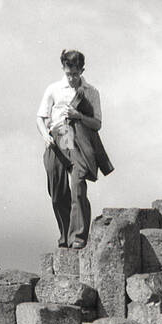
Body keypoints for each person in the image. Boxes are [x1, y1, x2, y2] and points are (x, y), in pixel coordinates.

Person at [36, 49, 112, 249]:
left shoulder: (91, 92)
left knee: (78, 185)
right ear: (63, 69)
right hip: (58, 138)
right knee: (57, 193)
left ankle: (78, 237)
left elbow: (97, 123)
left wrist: (79, 116)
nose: (71, 78)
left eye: (75, 74)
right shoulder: (54, 89)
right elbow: (40, 117)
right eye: (68, 73)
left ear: (82, 70)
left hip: (79, 137)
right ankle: (65, 235)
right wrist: (45, 136)